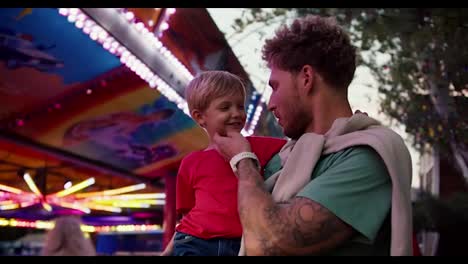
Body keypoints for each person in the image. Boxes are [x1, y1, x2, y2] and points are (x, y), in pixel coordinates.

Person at [213, 15, 413, 256]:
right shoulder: (282, 159)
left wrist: (243, 162)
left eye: (275, 86)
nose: (270, 103)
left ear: (306, 78)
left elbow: (271, 241)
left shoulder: (369, 156)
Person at [160, 71, 286, 256]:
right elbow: (186, 218)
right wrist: (167, 252)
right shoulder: (191, 162)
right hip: (195, 243)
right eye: (225, 107)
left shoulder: (262, 146)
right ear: (200, 117)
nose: (236, 113)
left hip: (243, 244)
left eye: (240, 106)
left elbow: (299, 145)